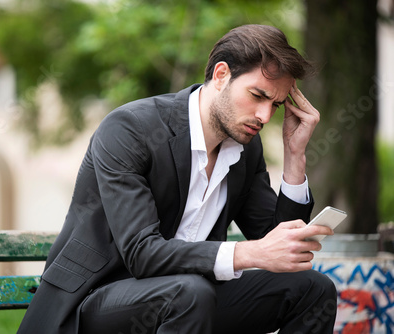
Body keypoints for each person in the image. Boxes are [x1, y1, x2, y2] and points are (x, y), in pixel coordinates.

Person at [18, 24, 337, 334]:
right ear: (221, 75)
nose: (265, 116)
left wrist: (295, 157)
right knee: (189, 293)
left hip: (190, 298)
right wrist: (247, 254)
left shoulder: (245, 149)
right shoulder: (131, 130)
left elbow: (277, 245)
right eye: (257, 95)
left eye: (276, 105)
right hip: (94, 301)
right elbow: (142, 253)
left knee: (312, 288)